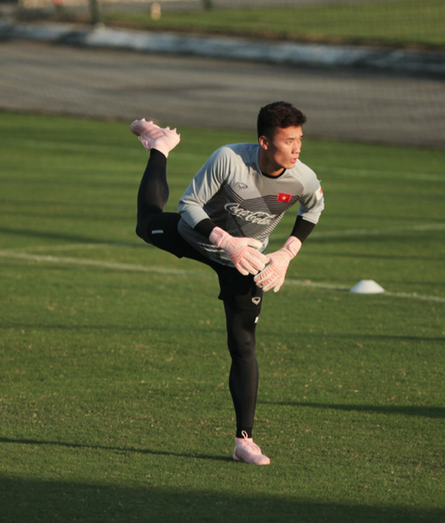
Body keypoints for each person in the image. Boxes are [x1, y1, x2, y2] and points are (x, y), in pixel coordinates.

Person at [130, 101, 324, 465]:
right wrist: (227, 243)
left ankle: (243, 442)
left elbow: (312, 209)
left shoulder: (304, 178)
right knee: (147, 224)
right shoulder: (229, 159)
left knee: (243, 344)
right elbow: (190, 205)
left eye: (300, 139)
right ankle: (159, 146)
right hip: (197, 237)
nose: (297, 148)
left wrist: (285, 255)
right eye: (288, 140)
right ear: (265, 142)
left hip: (245, 262)